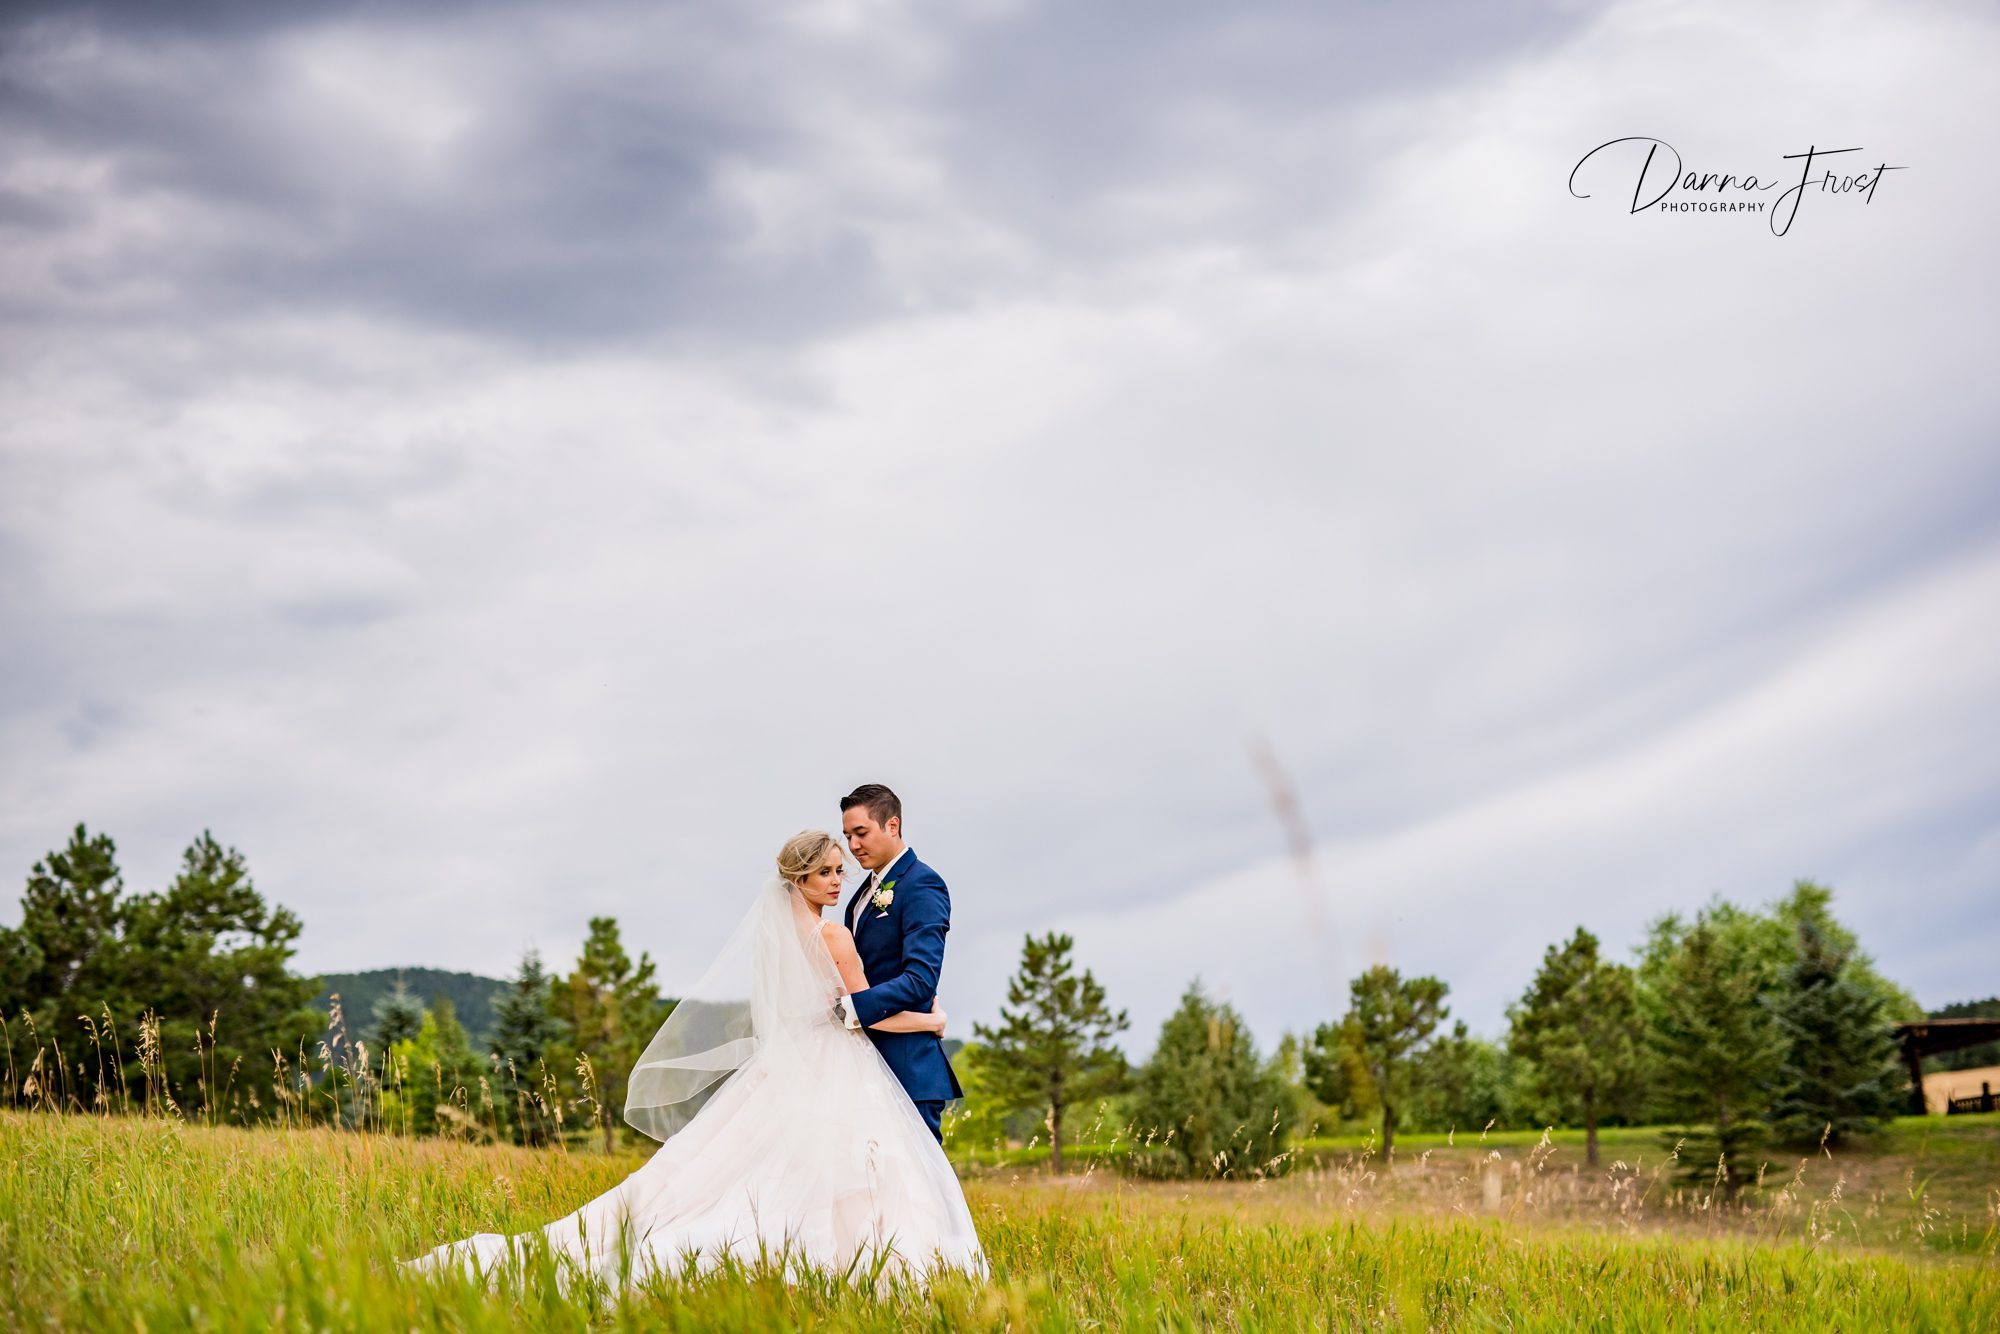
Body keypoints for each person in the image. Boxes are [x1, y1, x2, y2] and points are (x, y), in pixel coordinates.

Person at [401, 829, 986, 1291]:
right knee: (849, 1167)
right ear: (799, 879)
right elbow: (864, 1013)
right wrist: (933, 1020)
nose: (838, 880)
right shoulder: (832, 938)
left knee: (774, 1165)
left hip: (791, 1062)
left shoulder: (775, 936)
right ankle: (844, 1258)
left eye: (840, 870)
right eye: (826, 873)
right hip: (840, 1059)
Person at [832, 783, 963, 1142]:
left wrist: (851, 1009)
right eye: (848, 836)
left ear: (892, 825)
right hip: (864, 1067)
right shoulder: (860, 895)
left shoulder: (922, 885)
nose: (853, 846)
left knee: (919, 1195)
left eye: (861, 833)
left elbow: (921, 980)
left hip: (908, 1070)